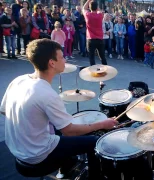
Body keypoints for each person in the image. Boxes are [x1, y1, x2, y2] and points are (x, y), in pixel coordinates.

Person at [0, 39, 118, 180]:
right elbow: (69, 131)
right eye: (62, 57)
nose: (65, 59)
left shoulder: (18, 80)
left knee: (58, 128)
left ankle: (67, 167)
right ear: (52, 63)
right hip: (36, 156)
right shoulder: (46, 93)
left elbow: (4, 111)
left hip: (17, 149)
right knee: (94, 141)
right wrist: (102, 124)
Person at [83, 0, 107, 65]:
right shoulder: (100, 15)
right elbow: (99, 10)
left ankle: (93, 72)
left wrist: (88, 1)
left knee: (91, 57)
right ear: (97, 7)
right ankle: (106, 71)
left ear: (90, 8)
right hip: (100, 38)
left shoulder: (87, 15)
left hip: (91, 39)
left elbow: (84, 8)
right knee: (102, 57)